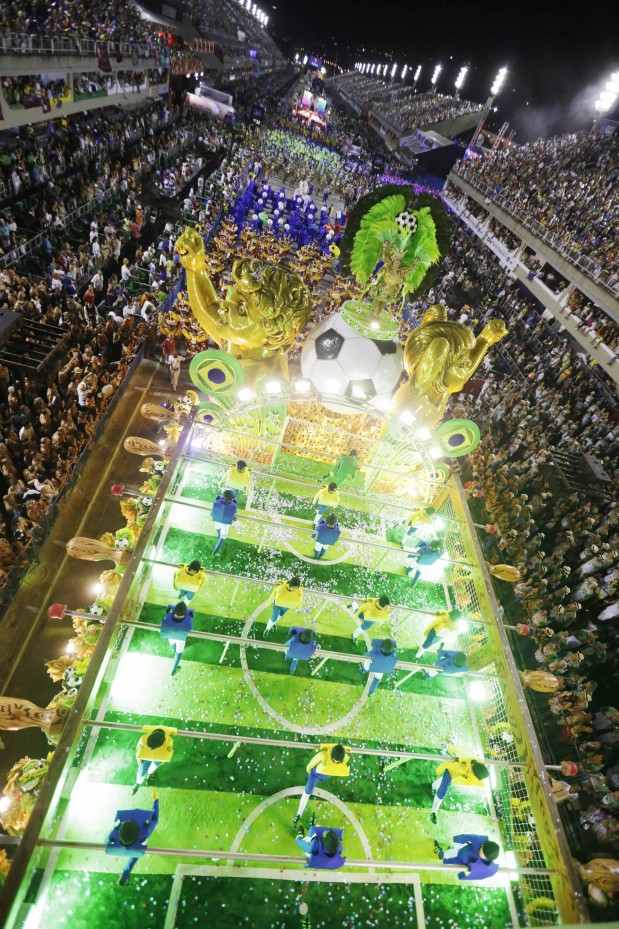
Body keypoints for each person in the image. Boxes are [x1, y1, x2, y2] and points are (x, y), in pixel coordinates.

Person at [105, 787, 159, 885]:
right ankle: (125, 874)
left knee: (133, 856)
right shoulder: (145, 832)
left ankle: (125, 875)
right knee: (133, 858)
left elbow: (107, 840)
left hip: (120, 845)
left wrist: (115, 829)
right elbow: (155, 819)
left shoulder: (116, 831)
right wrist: (156, 800)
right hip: (137, 846)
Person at [294, 743, 350, 826]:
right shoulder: (324, 755)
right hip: (318, 775)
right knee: (308, 791)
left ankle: (298, 815)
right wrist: (310, 772)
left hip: (322, 775)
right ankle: (299, 814)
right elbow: (311, 764)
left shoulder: (337, 757)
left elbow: (310, 766)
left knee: (308, 790)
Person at [430, 748, 489, 823]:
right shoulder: (462, 767)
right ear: (474, 773)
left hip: (455, 775)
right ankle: (433, 811)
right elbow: (448, 764)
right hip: (450, 774)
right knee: (442, 792)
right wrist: (438, 770)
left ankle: (434, 785)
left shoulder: (479, 763)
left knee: (444, 782)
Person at [434, 833, 500, 881]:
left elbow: (476, 874)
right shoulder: (481, 845)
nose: (481, 848)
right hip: (464, 849)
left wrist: (462, 873)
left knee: (449, 855)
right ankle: (448, 851)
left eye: (483, 848)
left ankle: (442, 855)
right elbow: (468, 837)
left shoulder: (480, 865)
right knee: (454, 850)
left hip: (460, 858)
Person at [132, 725, 177, 795]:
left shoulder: (144, 738)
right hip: (157, 757)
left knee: (151, 767)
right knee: (142, 770)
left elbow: (139, 750)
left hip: (150, 757)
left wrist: (139, 759)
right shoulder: (168, 741)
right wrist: (139, 760)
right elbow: (169, 753)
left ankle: (149, 775)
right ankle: (138, 782)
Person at [160, 601, 194, 675]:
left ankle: (174, 649)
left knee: (172, 643)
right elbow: (191, 629)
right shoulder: (188, 619)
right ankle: (173, 670)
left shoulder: (168, 617)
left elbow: (168, 607)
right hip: (180, 636)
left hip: (170, 634)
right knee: (179, 652)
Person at [211, 489, 237, 555]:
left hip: (216, 519)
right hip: (225, 523)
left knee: (218, 529)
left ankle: (218, 536)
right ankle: (215, 551)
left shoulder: (217, 500)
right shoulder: (233, 505)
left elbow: (211, 513)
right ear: (231, 498)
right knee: (223, 537)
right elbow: (234, 518)